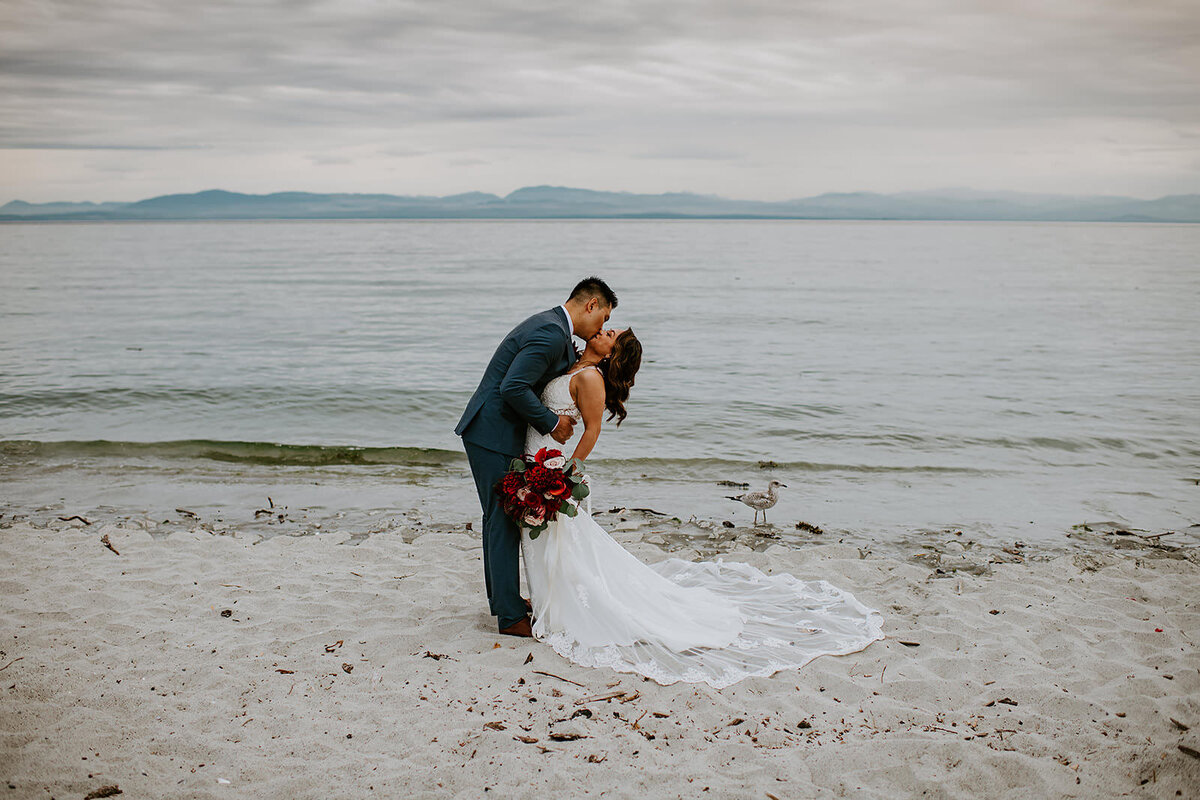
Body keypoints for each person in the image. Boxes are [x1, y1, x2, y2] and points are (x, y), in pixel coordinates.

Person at [518, 328, 885, 688]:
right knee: (559, 544)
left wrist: (566, 477)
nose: (606, 330)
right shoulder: (573, 362)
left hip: (555, 471)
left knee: (565, 543)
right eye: (609, 328)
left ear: (611, 354)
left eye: (611, 334)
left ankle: (559, 608)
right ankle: (550, 601)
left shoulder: (592, 379)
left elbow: (592, 431)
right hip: (538, 463)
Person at [456, 277, 616, 636]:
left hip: (493, 431)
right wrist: (552, 422)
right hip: (492, 433)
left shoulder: (553, 326)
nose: (601, 327)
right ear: (591, 305)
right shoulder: (550, 332)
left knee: (497, 519)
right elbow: (511, 386)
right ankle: (510, 617)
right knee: (500, 520)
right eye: (603, 318)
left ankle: (504, 601)